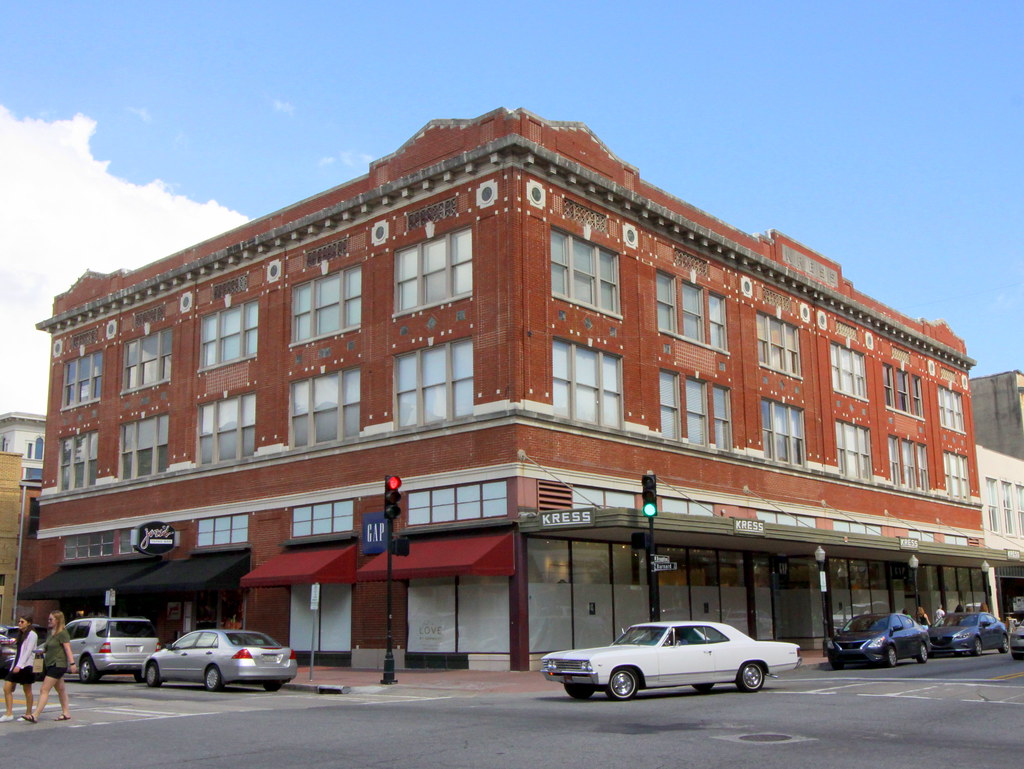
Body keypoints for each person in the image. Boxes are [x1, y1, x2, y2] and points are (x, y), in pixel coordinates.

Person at [23, 611, 76, 723]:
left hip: (58, 664)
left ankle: (35, 715)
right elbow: (48, 647)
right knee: (61, 689)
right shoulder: (51, 633)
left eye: (51, 619)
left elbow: (67, 649)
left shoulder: (63, 633)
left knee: (44, 689)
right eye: (49, 619)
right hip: (50, 663)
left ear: (58, 620)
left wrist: (72, 664)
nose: (49, 621)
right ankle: (66, 712)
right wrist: (41, 651)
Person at [1, 615, 38, 722]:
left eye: (22, 622)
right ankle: (9, 713)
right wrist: (14, 666)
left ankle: (28, 713)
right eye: (19, 621)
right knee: (7, 687)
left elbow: (28, 652)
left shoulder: (32, 635)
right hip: (17, 664)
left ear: (29, 623)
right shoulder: (20, 634)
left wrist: (19, 666)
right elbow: (18, 652)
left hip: (26, 665)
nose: (19, 623)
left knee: (27, 689)